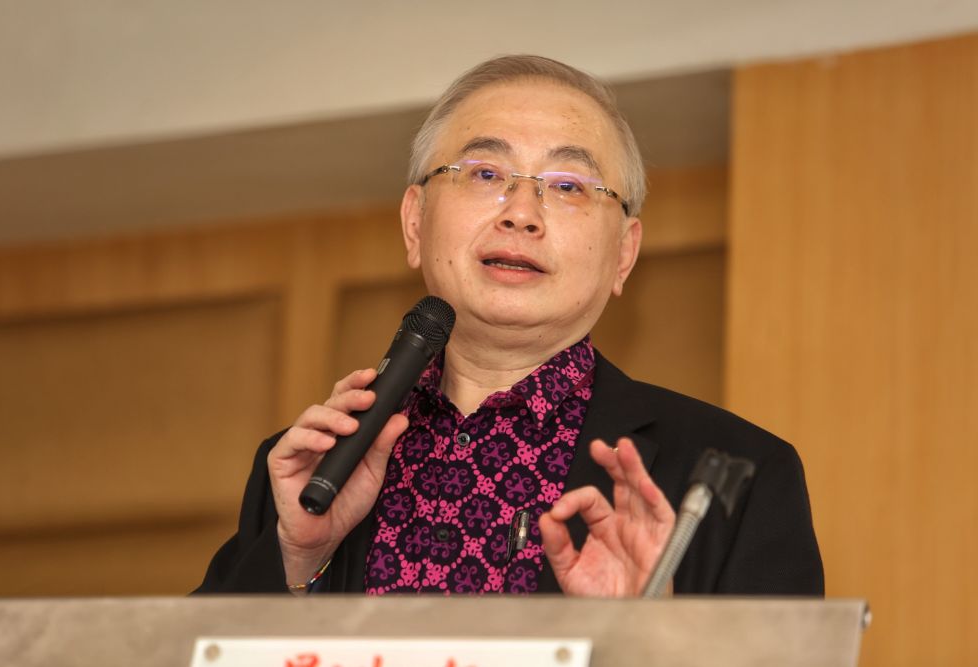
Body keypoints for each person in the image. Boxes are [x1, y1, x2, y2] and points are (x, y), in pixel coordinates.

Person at [196, 55, 823, 596]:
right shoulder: (309, 468)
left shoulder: (736, 474)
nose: (522, 213)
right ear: (415, 223)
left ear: (623, 254)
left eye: (569, 185)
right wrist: (297, 558)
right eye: (486, 174)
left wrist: (645, 638)